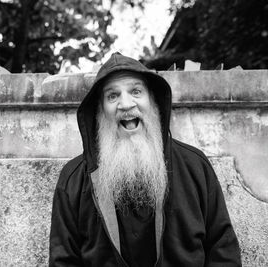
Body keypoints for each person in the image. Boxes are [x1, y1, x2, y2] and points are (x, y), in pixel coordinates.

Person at [49, 52, 241, 266]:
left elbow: (223, 252)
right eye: (112, 96)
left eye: (136, 91)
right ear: (100, 110)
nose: (125, 104)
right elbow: (63, 261)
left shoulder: (194, 166)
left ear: (153, 101)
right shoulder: (73, 179)